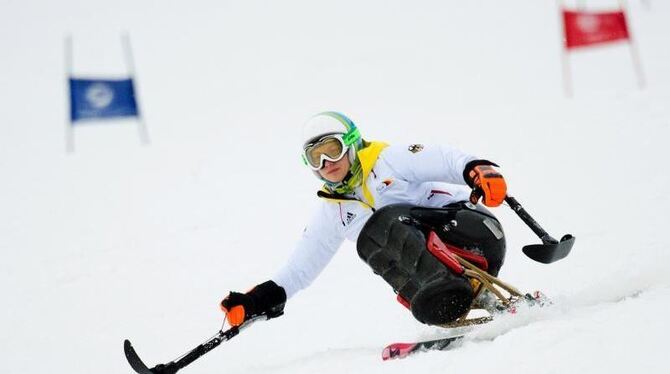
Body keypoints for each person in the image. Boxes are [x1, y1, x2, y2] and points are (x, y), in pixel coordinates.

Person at [220, 112, 508, 327]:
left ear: (351, 144)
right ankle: (454, 301)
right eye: (315, 157)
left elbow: (445, 159)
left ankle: (444, 290)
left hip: (474, 231)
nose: (326, 164)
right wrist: (253, 303)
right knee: (374, 246)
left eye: (331, 150)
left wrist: (477, 171)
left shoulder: (388, 160)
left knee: (381, 227)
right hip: (444, 268)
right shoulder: (333, 212)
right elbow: (298, 272)